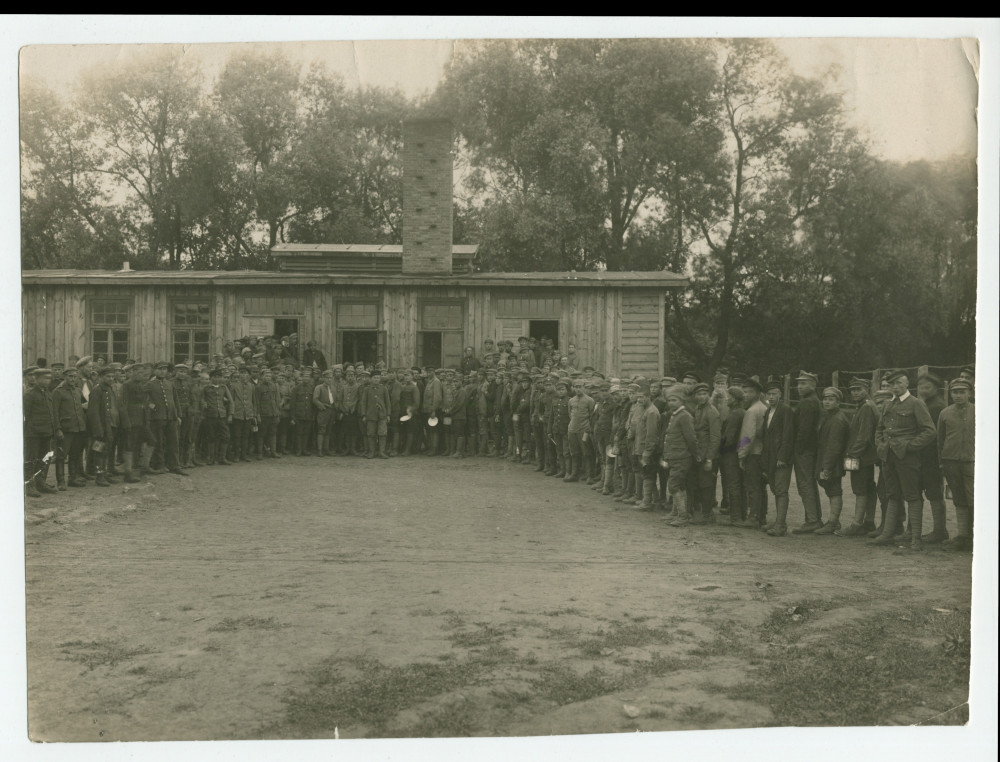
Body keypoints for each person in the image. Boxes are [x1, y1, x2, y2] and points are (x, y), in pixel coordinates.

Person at [871, 369, 937, 551]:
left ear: (907, 383)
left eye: (899, 382)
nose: (896, 386)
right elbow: (880, 429)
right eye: (892, 384)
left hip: (907, 458)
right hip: (888, 456)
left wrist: (910, 447)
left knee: (912, 495)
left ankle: (916, 538)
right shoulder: (887, 405)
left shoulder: (916, 403)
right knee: (892, 494)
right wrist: (880, 444)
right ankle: (887, 535)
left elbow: (930, 431)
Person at [836, 377, 880, 537]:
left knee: (860, 489)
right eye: (853, 390)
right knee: (868, 487)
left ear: (866, 389)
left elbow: (864, 436)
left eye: (858, 389)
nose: (855, 393)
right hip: (865, 455)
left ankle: (856, 524)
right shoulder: (864, 406)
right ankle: (869, 522)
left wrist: (852, 455)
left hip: (861, 456)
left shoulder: (867, 408)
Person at [937, 379, 974, 551]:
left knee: (973, 498)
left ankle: (975, 536)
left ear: (969, 393)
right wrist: (942, 461)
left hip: (972, 461)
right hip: (951, 461)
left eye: (962, 392)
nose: (958, 396)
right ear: (950, 393)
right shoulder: (945, 413)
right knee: (958, 498)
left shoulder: (979, 410)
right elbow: (940, 439)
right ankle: (962, 536)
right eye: (955, 392)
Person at [916, 373, 949, 543]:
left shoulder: (937, 407)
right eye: (921, 387)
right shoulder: (922, 404)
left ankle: (940, 530)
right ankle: (916, 530)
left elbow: (935, 434)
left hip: (932, 456)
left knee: (934, 492)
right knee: (924, 490)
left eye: (927, 387)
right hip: (922, 455)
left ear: (936, 388)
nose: (923, 390)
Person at [813, 387, 851, 534]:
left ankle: (833, 522)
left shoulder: (837, 419)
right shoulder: (830, 416)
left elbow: (834, 446)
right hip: (826, 460)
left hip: (832, 462)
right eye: (825, 399)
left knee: (834, 490)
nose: (827, 402)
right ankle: (834, 521)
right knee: (831, 489)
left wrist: (826, 467)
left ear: (838, 402)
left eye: (831, 399)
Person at [760, 380, 795, 536]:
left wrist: (783, 457)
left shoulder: (785, 410)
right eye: (769, 394)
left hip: (781, 458)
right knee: (775, 488)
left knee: (781, 490)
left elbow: (788, 435)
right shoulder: (768, 412)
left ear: (781, 395)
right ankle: (779, 521)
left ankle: (780, 525)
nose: (771, 397)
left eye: (774, 394)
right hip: (770, 457)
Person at [662, 386, 699, 527]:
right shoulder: (675, 415)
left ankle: (683, 516)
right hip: (673, 456)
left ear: (681, 401)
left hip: (681, 457)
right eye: (669, 400)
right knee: (678, 485)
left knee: (673, 485)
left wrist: (695, 454)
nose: (671, 403)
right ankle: (675, 513)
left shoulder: (684, 416)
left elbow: (691, 438)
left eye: (674, 400)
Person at [791, 371, 823, 533]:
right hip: (810, 449)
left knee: (805, 484)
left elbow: (804, 431)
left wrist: (796, 449)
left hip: (805, 451)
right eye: (798, 383)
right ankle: (815, 518)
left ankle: (812, 520)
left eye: (804, 383)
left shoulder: (807, 403)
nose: (800, 387)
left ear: (813, 385)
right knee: (809, 483)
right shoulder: (813, 400)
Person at [145, 361, 187, 476]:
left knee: (173, 442)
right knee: (158, 442)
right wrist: (153, 407)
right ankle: (160, 465)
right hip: (157, 418)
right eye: (160, 369)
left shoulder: (170, 383)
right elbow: (145, 399)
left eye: (165, 369)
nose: (163, 371)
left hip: (171, 417)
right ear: (155, 370)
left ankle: (174, 465)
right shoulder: (149, 384)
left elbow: (175, 400)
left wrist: (178, 415)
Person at [737, 376, 768, 529]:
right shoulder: (764, 407)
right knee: (761, 486)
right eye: (744, 392)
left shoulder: (752, 411)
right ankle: (762, 516)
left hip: (753, 453)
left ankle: (753, 516)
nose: (745, 395)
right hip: (762, 452)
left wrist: (742, 454)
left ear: (756, 393)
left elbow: (748, 435)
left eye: (749, 392)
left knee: (752, 485)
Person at [688, 382, 721, 524]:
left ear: (708, 395)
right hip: (698, 453)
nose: (701, 397)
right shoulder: (698, 409)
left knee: (706, 484)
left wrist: (709, 458)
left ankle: (707, 514)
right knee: (697, 483)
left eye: (704, 394)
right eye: (698, 394)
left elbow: (715, 437)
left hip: (706, 454)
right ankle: (701, 512)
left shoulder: (712, 411)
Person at [24, 367, 59, 497]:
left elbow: (52, 413)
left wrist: (54, 430)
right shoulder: (30, 394)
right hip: (33, 434)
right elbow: (24, 415)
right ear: (37, 379)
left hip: (47, 433)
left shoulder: (48, 393)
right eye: (45, 378)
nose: (47, 381)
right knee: (31, 460)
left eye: (49, 378)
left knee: (45, 459)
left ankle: (40, 483)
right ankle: (29, 485)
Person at [52, 366, 89, 489]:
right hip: (66, 429)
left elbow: (83, 406)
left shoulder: (78, 391)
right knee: (61, 456)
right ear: (65, 377)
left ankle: (72, 479)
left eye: (75, 377)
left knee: (75, 454)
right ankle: (61, 481)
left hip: (79, 428)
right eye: (70, 376)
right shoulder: (58, 391)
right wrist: (57, 429)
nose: (73, 379)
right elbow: (54, 412)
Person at [87, 366, 120, 487]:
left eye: (112, 376)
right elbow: (93, 412)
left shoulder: (111, 389)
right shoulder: (97, 390)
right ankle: (99, 477)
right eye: (108, 376)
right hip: (101, 428)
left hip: (111, 425)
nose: (111, 379)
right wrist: (98, 429)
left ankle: (104, 474)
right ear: (101, 377)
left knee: (107, 451)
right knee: (99, 451)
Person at [718, 386, 746, 526]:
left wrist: (720, 449)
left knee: (733, 484)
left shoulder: (735, 414)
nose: (726, 399)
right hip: (735, 451)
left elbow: (728, 437)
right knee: (736, 484)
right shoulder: (740, 412)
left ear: (734, 399)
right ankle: (739, 514)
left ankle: (735, 517)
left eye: (729, 397)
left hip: (730, 453)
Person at [633, 383, 662, 511]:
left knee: (648, 475)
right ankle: (655, 501)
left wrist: (647, 452)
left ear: (649, 397)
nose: (639, 400)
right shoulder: (643, 409)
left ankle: (647, 502)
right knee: (647, 474)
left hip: (648, 450)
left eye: (642, 397)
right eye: (638, 397)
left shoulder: (652, 412)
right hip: (641, 448)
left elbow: (652, 434)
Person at [118, 363, 149, 482]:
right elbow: (122, 405)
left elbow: (144, 403)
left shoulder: (141, 384)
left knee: (150, 441)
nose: (142, 375)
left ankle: (143, 469)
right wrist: (126, 422)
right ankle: (128, 473)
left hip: (141, 420)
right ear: (134, 372)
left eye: (143, 373)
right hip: (131, 420)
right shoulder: (127, 385)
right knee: (129, 446)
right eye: (139, 372)